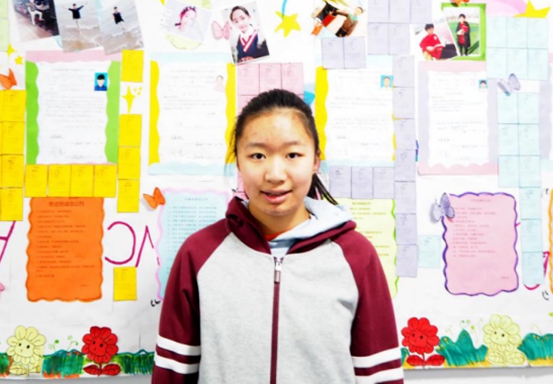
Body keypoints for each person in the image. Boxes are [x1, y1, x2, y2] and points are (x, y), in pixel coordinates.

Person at [152, 89, 403, 384]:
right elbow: (172, 374)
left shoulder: (356, 255)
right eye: (257, 155)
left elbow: (379, 376)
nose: (274, 174)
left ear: (315, 161)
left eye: (292, 155)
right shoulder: (199, 253)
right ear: (238, 162)